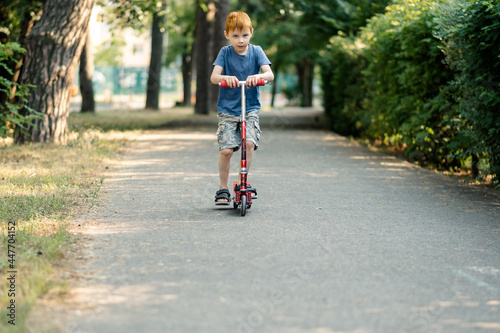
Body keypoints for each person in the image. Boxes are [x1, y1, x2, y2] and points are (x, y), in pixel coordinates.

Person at [211, 11, 274, 205]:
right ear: (227, 35)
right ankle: (223, 188)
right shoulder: (225, 52)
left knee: (249, 143)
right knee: (227, 150)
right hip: (228, 109)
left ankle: (242, 181)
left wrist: (259, 77)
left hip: (250, 107)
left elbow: (270, 75)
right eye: (235, 36)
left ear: (251, 33)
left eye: (244, 35)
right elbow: (214, 77)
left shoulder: (256, 51)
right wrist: (225, 78)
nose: (240, 40)